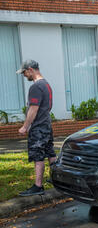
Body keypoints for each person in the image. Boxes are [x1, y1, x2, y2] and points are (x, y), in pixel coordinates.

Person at [16, 60, 57, 196]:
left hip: (39, 127)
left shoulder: (36, 87)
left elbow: (33, 109)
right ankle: (56, 178)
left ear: (30, 70)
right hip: (47, 124)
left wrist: (25, 127)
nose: (24, 75)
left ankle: (38, 186)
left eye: (24, 72)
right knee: (50, 153)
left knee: (38, 156)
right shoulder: (46, 85)